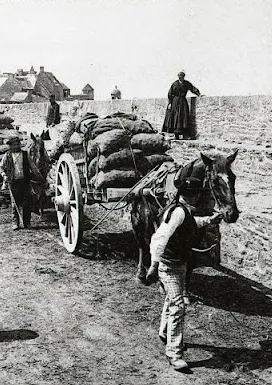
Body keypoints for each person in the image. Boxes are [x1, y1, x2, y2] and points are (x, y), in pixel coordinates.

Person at [145, 177, 222, 372]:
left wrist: (209, 220)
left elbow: (191, 223)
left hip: (179, 264)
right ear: (195, 196)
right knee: (178, 306)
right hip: (168, 266)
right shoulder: (178, 212)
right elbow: (158, 238)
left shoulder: (183, 210)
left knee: (171, 300)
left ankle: (164, 333)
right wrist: (154, 265)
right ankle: (174, 353)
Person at [0, 136, 43, 230]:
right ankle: (16, 223)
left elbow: (32, 167)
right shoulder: (7, 155)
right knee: (15, 203)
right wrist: (4, 175)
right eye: (14, 145)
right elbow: (0, 167)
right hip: (13, 182)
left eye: (17, 144)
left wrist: (39, 176)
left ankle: (27, 223)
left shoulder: (25, 154)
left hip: (25, 181)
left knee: (27, 202)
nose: (16, 146)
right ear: (10, 146)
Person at [162, 71, 201, 140]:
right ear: (178, 77)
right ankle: (175, 135)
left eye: (182, 77)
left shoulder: (186, 83)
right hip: (175, 102)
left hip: (183, 102)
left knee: (183, 117)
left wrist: (198, 94)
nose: (181, 78)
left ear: (184, 77)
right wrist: (170, 103)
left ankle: (183, 134)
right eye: (180, 77)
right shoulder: (175, 84)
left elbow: (192, 88)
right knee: (175, 117)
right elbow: (170, 93)